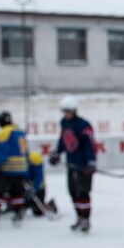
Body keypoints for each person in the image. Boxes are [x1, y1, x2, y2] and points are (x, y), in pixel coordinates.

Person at [48, 96, 96, 232]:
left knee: (83, 192)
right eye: (64, 111)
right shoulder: (64, 123)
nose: (65, 114)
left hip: (83, 165)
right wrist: (57, 153)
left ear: (74, 110)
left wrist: (91, 162)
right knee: (72, 192)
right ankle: (79, 217)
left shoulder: (84, 125)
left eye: (68, 111)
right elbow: (63, 140)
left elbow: (89, 145)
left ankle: (86, 220)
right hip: (71, 164)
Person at [0, 111, 30, 223]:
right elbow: (26, 150)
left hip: (8, 167)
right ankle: (18, 212)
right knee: (17, 191)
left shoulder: (4, 132)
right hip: (21, 167)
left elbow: (3, 151)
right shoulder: (20, 131)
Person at [27, 151, 57, 217]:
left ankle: (50, 205)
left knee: (38, 212)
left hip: (39, 189)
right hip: (28, 186)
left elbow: (39, 177)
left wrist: (34, 188)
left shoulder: (35, 159)